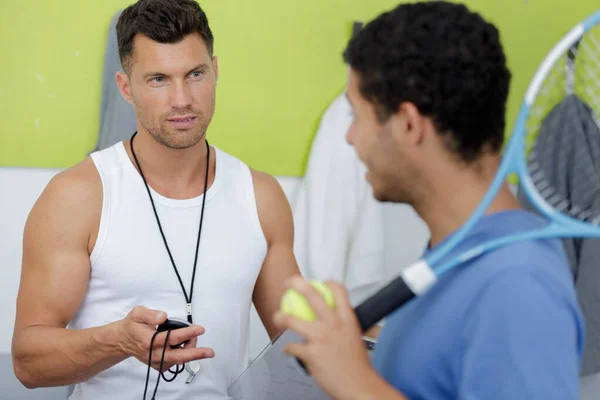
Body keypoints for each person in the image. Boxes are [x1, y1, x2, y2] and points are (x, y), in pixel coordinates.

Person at [274, 2, 585, 399]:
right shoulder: (458, 252)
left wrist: (354, 381)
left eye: (356, 116)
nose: (350, 137)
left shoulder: (520, 286)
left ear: (408, 125)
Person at [11, 0, 300, 398]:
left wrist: (373, 340)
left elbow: (300, 344)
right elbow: (28, 362)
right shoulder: (78, 196)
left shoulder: (260, 196)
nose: (181, 99)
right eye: (159, 79)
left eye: (195, 74)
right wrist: (119, 341)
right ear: (126, 88)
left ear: (215, 70)